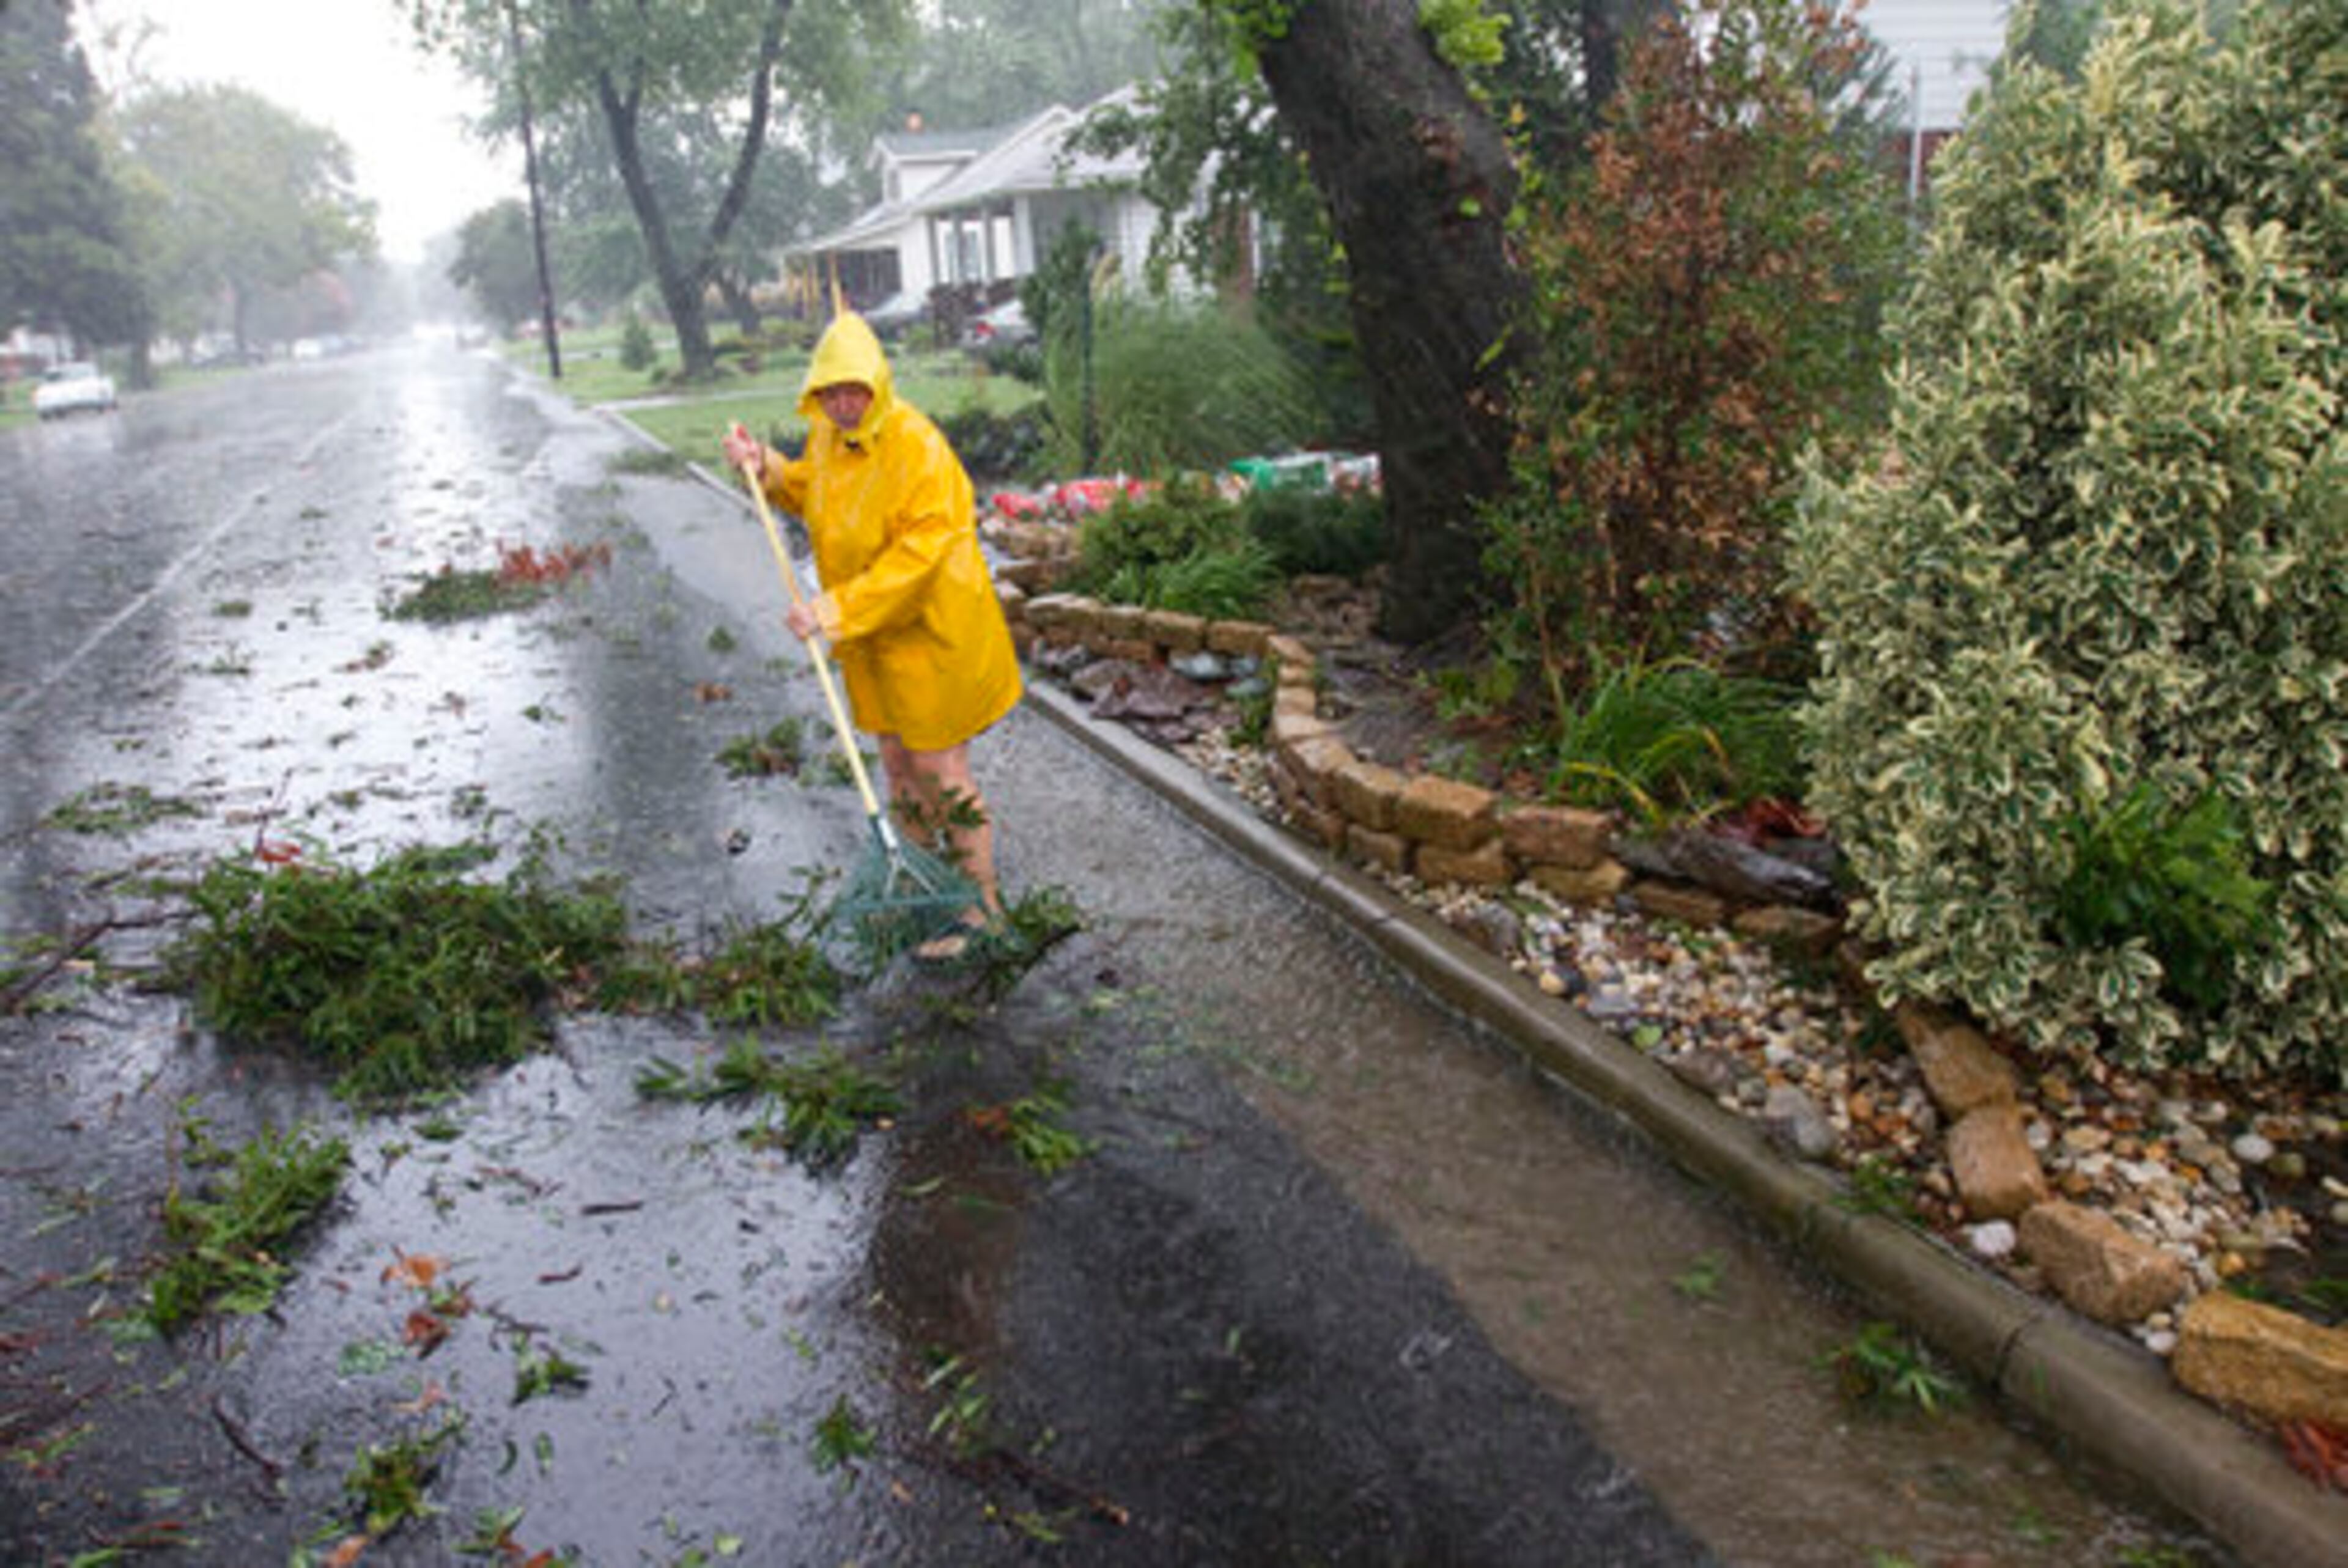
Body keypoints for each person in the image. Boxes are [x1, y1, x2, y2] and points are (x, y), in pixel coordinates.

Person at [722, 310, 1022, 958]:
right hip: (876, 637)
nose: (844, 403)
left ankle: (981, 910)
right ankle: (914, 889)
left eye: (854, 390)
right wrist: (765, 466)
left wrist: (833, 611)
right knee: (896, 762)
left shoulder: (917, 445)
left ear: (878, 383)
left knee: (941, 771)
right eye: (832, 392)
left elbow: (920, 554)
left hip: (933, 630)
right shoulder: (831, 437)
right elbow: (813, 491)